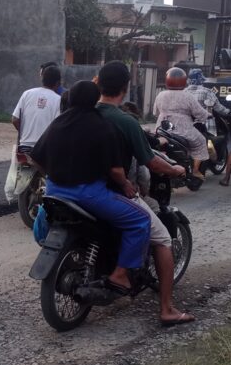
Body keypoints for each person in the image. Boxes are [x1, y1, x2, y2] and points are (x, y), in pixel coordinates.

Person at [30, 80, 150, 304]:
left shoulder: (57, 123)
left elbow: (36, 157)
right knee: (141, 220)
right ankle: (120, 275)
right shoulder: (102, 126)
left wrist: (52, 174)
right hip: (89, 194)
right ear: (94, 99)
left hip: (55, 190)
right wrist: (125, 185)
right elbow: (115, 170)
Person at [95, 62, 193, 326]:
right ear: (125, 88)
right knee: (162, 239)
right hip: (114, 191)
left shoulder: (85, 113)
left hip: (80, 188)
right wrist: (175, 170)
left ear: (99, 83)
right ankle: (166, 309)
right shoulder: (125, 121)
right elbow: (150, 162)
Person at [5, 65, 62, 201]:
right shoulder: (58, 99)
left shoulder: (27, 94)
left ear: (42, 78)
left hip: (25, 148)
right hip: (44, 150)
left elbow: (15, 119)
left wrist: (24, 132)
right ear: (58, 83)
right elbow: (57, 127)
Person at [155, 68, 212, 181]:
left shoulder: (160, 94)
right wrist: (207, 115)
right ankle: (195, 170)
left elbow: (155, 112)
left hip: (162, 128)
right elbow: (199, 112)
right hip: (183, 129)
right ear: (184, 81)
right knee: (200, 141)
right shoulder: (187, 96)